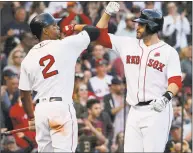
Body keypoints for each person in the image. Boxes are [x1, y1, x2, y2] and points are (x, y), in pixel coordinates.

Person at [96, 2, 182, 152]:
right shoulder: (128, 44)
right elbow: (99, 36)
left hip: (157, 109)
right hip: (134, 110)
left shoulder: (169, 52)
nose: (138, 26)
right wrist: (107, 13)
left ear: (153, 26)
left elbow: (175, 80)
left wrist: (166, 97)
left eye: (142, 24)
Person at [18, 13, 100, 152]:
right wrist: (73, 27)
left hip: (41, 111)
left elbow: (24, 96)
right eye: (54, 25)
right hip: (60, 109)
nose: (58, 28)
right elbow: (94, 31)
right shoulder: (64, 45)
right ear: (45, 30)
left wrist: (32, 118)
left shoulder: (28, 57)